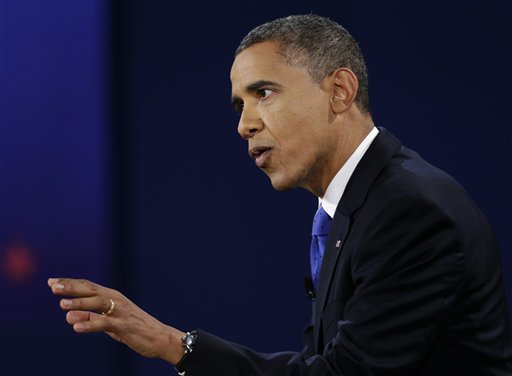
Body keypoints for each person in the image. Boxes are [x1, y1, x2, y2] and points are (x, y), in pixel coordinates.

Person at [48, 14, 512, 375]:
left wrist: (173, 344)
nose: (244, 124)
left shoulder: (410, 211)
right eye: (239, 105)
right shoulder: (348, 208)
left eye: (263, 93)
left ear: (340, 91)